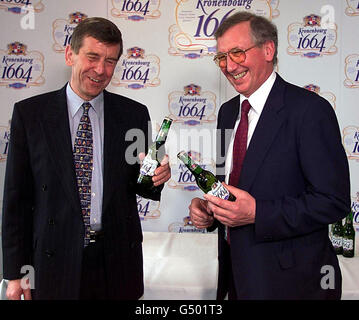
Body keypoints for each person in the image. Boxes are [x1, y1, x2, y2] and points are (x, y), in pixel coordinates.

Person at [2, 17, 171, 300]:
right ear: (70, 54)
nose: (101, 70)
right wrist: (16, 273)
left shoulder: (134, 115)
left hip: (117, 264)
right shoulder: (30, 115)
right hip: (54, 263)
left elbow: (141, 186)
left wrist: (156, 179)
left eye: (110, 61)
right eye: (92, 57)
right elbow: (16, 201)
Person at [189, 12, 350, 300]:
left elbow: (333, 201)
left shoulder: (310, 111)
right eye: (222, 57)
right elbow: (235, 189)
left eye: (237, 53)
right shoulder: (228, 112)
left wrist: (257, 214)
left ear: (268, 50)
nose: (228, 65)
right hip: (236, 278)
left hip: (291, 283)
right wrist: (212, 210)